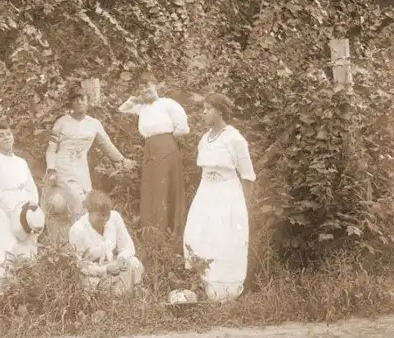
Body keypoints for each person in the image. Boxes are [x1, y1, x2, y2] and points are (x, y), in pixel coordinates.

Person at [183, 94, 256, 302]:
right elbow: (205, 172)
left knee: (224, 239)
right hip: (206, 193)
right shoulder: (204, 139)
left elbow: (247, 175)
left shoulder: (234, 139)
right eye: (203, 109)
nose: (203, 113)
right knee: (197, 235)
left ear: (221, 111)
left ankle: (225, 293)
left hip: (228, 195)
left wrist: (244, 206)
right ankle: (201, 286)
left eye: (208, 109)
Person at [45, 85, 133, 222]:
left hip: (81, 169)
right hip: (63, 167)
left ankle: (83, 233)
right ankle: (77, 233)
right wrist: (51, 169)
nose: (79, 102)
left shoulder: (94, 124)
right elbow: (51, 149)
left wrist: (122, 160)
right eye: (75, 99)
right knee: (78, 202)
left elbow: (107, 145)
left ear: (88, 101)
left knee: (88, 202)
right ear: (71, 103)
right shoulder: (61, 122)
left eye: (82, 99)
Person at [118, 79, 190, 243]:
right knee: (152, 189)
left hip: (166, 147)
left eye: (147, 87)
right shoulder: (142, 108)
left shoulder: (168, 103)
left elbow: (182, 128)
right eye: (141, 89)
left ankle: (170, 234)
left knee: (165, 188)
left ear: (155, 86)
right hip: (149, 150)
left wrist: (167, 141)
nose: (145, 91)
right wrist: (135, 99)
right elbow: (122, 109)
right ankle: (153, 236)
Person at [0, 120, 44, 295]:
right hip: (6, 210)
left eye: (8, 134)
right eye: (1, 136)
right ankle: (0, 290)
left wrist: (32, 206)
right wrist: (13, 209)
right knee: (7, 246)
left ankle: (26, 287)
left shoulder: (21, 162)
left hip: (25, 207)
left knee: (27, 245)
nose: (6, 138)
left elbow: (31, 185)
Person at [68, 190, 144, 295]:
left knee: (134, 263)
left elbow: (127, 247)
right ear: (89, 211)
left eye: (107, 216)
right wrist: (106, 269)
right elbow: (80, 266)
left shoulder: (114, 218)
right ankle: (118, 298)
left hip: (113, 264)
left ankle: (131, 296)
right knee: (94, 284)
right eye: (99, 216)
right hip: (93, 273)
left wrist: (121, 259)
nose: (104, 220)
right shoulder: (77, 230)